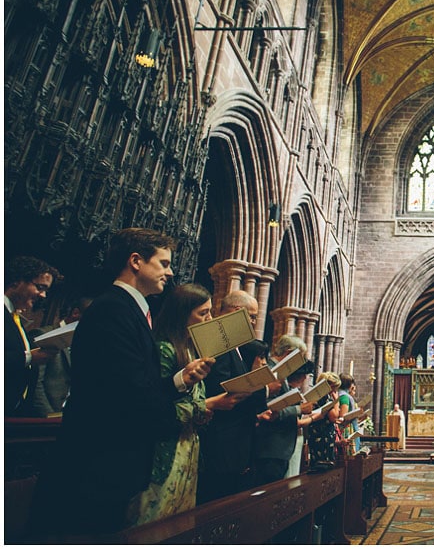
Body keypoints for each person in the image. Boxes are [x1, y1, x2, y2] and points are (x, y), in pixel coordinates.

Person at [28, 228, 214, 536]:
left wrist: (180, 380)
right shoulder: (113, 310)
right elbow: (127, 395)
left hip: (109, 466)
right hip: (96, 468)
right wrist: (180, 417)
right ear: (136, 261)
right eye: (164, 263)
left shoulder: (129, 310)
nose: (170, 272)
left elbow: (137, 382)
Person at [129, 283, 247, 525]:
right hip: (165, 452)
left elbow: (193, 400)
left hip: (188, 449)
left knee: (180, 523)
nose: (210, 319)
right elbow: (156, 407)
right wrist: (211, 405)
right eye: (203, 313)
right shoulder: (165, 350)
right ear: (183, 314)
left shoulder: (191, 352)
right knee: (154, 523)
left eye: (210, 312)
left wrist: (204, 411)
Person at [197, 290, 269, 504]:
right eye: (253, 316)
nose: (255, 322)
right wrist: (256, 378)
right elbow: (220, 391)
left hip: (235, 443)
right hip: (222, 443)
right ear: (238, 313)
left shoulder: (234, 346)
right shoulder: (217, 345)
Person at [5, 256, 60, 416]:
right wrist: (29, 357)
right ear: (17, 281)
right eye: (39, 287)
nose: (43, 295)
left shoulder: (14, 318)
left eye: (46, 290)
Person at [253, 334, 309, 485]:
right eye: (300, 357)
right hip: (270, 446)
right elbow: (267, 407)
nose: (300, 362)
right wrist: (298, 409)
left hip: (278, 448)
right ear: (289, 352)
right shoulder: (269, 371)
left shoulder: (280, 373)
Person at [25, 297, 92, 417]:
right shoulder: (43, 334)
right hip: (43, 416)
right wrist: (49, 416)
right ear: (76, 313)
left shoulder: (86, 342)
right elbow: (35, 383)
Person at [305, 371, 342, 470]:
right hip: (322, 436)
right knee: (323, 465)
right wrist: (336, 401)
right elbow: (333, 417)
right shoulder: (324, 397)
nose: (334, 390)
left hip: (318, 434)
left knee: (319, 463)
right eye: (334, 387)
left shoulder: (318, 396)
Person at [338, 373, 362, 455]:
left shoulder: (338, 394)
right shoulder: (344, 396)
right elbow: (343, 416)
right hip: (346, 429)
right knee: (349, 455)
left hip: (343, 427)